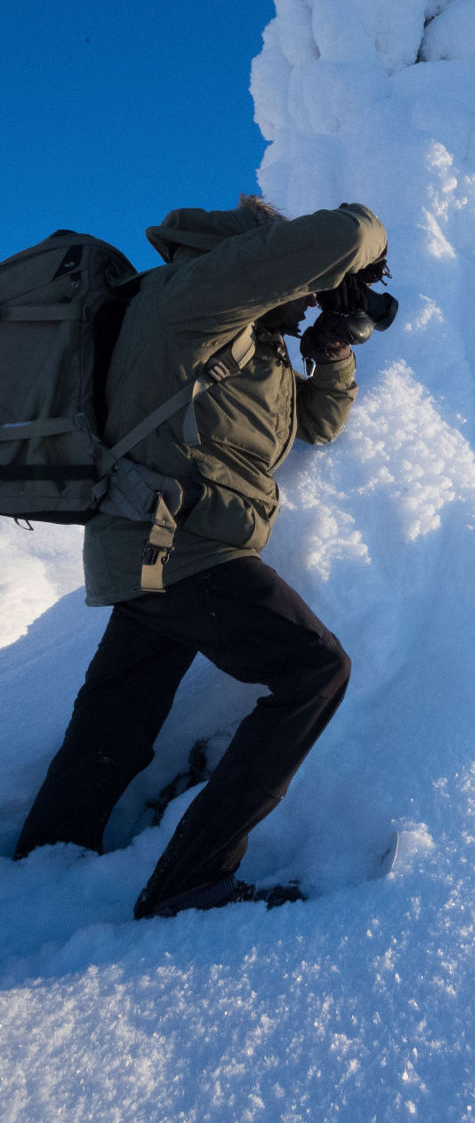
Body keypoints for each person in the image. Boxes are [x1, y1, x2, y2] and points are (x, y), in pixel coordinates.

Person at [14, 194, 389, 918]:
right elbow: (349, 232)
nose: (311, 295)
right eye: (304, 281)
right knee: (314, 671)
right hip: (184, 548)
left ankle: (42, 865)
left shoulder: (249, 340)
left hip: (157, 553)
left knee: (113, 728)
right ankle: (192, 877)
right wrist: (361, 250)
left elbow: (317, 426)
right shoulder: (196, 294)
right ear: (258, 252)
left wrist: (333, 349)